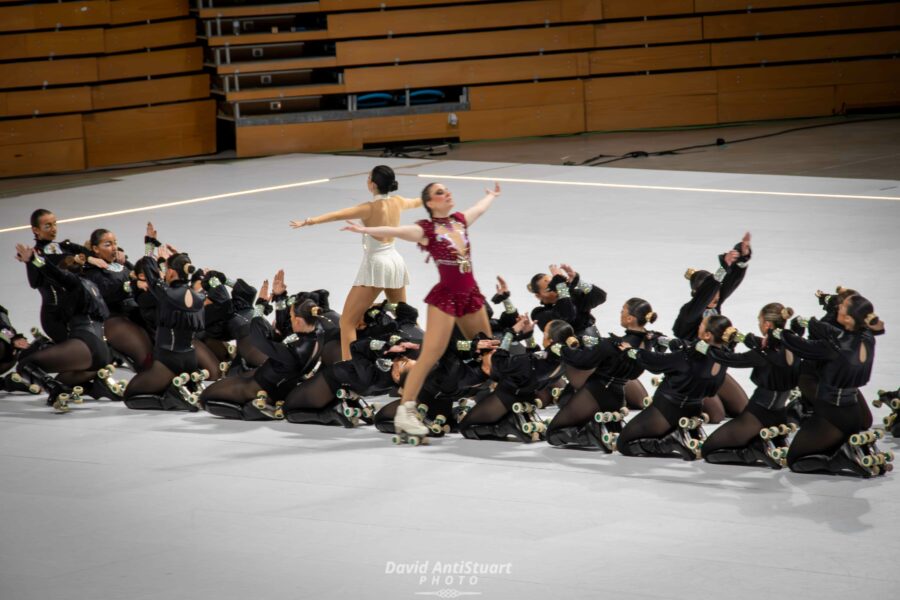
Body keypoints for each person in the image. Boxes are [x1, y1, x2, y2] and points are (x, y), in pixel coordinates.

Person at [341, 181, 501, 440]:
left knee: (489, 346)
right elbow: (397, 230)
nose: (446, 193)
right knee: (430, 355)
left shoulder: (459, 221)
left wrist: (491, 197)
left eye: (447, 189)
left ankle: (497, 402)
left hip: (470, 295)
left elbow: (478, 210)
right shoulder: (427, 230)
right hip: (446, 297)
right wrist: (364, 228)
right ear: (429, 203)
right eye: (439, 192)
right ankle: (406, 411)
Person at [291, 165, 421, 360]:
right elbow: (419, 201)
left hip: (377, 266)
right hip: (395, 262)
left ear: (373, 185)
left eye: (368, 178)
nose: (366, 180)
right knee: (405, 316)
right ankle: (427, 357)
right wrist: (434, 199)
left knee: (347, 323)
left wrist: (309, 221)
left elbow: (337, 214)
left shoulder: (368, 208)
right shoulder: (398, 201)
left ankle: (350, 371)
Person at [778, 295, 885, 476]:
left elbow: (796, 344)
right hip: (853, 411)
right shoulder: (867, 337)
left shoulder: (833, 346)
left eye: (842, 306)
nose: (839, 307)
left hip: (831, 415)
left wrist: (786, 330)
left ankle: (840, 459)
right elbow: (838, 332)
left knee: (795, 460)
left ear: (849, 318)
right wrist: (813, 323)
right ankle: (847, 448)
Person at [701, 303, 801, 468]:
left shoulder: (764, 353)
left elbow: (732, 360)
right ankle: (759, 443)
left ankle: (754, 452)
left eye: (759, 321)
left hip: (758, 415)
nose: (758, 324)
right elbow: (760, 342)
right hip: (779, 413)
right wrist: (739, 337)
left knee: (709, 450)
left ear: (767, 324)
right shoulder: (792, 343)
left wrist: (706, 349)